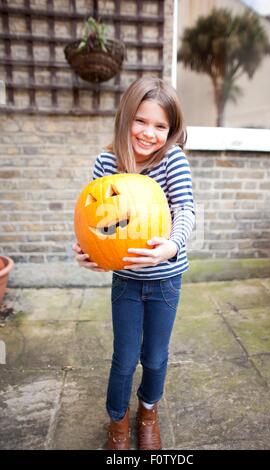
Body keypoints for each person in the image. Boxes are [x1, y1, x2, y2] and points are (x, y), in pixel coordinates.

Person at [72, 76, 195, 450]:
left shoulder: (172, 160)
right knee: (124, 358)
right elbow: (95, 218)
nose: (149, 133)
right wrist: (86, 252)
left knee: (155, 357)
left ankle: (148, 411)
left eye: (161, 126)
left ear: (171, 131)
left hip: (166, 280)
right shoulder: (107, 162)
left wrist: (171, 246)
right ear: (126, 117)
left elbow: (186, 210)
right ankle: (118, 421)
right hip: (125, 279)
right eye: (141, 121)